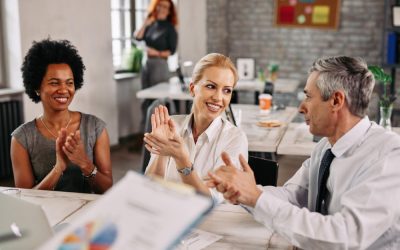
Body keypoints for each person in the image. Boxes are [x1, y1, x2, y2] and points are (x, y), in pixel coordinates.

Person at [207, 56, 400, 249]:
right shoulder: (325, 147)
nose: (301, 108)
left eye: (308, 97)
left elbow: (343, 237)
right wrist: (245, 191)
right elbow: (293, 196)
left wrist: (256, 197)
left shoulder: (389, 155)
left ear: (336, 100)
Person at [11, 39, 113, 194]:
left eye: (69, 83)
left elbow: (108, 190)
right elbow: (25, 199)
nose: (64, 90)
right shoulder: (22, 138)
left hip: (87, 215)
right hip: (46, 217)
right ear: (37, 87)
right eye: (54, 83)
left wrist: (85, 163)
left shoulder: (95, 127)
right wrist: (58, 168)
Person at [143, 53, 248, 204]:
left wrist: (181, 159)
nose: (218, 98)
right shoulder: (172, 125)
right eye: (211, 86)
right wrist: (162, 152)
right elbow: (149, 189)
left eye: (227, 90)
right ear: (192, 89)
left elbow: (210, 203)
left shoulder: (235, 138)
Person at [134, 0, 178, 131]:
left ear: (169, 11)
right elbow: (137, 37)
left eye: (166, 7)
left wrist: (157, 52)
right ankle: (145, 132)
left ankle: (161, 132)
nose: (162, 9)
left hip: (160, 65)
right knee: (145, 99)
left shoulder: (170, 28)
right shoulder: (151, 24)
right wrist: (145, 23)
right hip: (146, 64)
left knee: (158, 101)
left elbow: (171, 51)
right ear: (155, 6)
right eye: (160, 5)